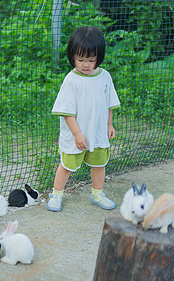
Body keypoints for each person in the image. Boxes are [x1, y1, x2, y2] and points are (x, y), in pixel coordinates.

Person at [47, 26, 120, 212]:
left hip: (97, 133)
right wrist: (77, 134)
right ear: (72, 56)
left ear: (99, 57)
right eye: (80, 60)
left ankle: (97, 194)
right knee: (67, 165)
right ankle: (57, 195)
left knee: (99, 164)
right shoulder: (71, 80)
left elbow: (109, 103)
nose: (85, 65)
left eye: (91, 60)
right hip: (76, 135)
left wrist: (109, 124)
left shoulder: (105, 77)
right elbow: (66, 111)